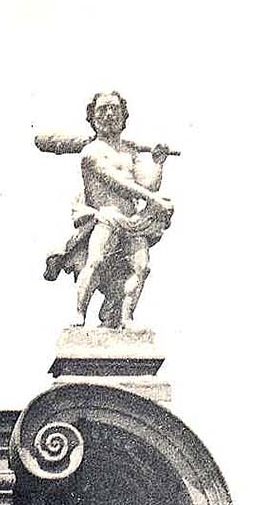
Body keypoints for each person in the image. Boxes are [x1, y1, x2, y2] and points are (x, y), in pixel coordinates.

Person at [36, 89, 175, 330]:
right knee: (96, 262)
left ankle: (125, 318)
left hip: (133, 219)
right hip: (107, 216)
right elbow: (119, 183)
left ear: (123, 116)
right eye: (103, 109)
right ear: (93, 118)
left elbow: (146, 184)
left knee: (141, 267)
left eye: (115, 109)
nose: (109, 114)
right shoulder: (91, 152)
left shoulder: (130, 152)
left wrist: (158, 164)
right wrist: (153, 199)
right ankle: (79, 314)